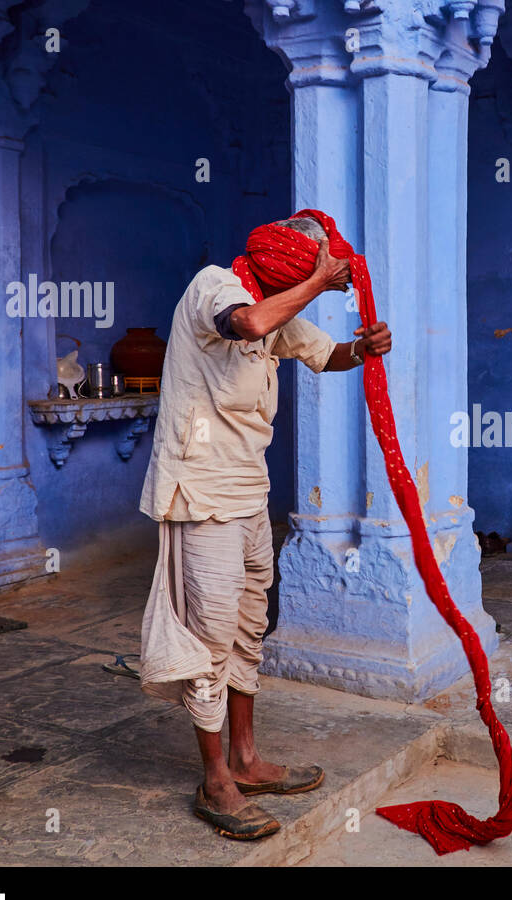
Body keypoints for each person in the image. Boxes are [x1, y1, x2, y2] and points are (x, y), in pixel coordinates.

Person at [138, 216, 392, 840]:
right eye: (308, 268)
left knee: (251, 623)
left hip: (249, 495)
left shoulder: (273, 307)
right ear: (286, 266)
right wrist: (316, 281)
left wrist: (364, 349)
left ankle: (247, 760)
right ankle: (215, 779)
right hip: (200, 496)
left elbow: (323, 353)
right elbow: (249, 323)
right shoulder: (216, 289)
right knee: (211, 633)